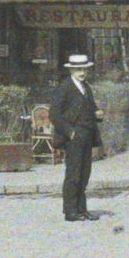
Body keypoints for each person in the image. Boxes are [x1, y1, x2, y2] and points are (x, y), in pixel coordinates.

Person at [52, 53, 102, 222]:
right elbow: (55, 114)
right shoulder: (64, 87)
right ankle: (70, 211)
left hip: (87, 135)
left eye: (84, 69)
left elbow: (91, 107)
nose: (82, 72)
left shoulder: (86, 87)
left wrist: (97, 113)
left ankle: (82, 209)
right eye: (78, 69)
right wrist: (69, 132)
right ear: (71, 70)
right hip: (74, 136)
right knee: (73, 173)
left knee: (85, 172)